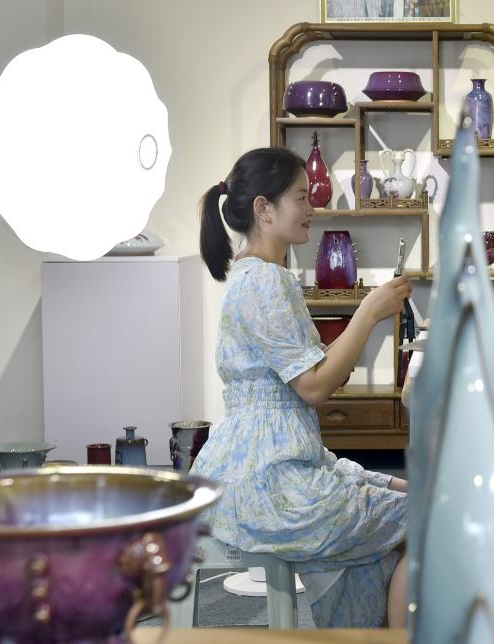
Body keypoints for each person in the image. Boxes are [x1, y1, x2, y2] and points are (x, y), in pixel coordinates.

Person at [192, 147, 413, 628]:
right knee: (426, 518)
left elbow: (308, 387)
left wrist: (389, 482)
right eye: (301, 196)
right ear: (264, 210)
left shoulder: (258, 277)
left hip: (266, 470)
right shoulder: (265, 282)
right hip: (269, 485)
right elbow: (314, 387)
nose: (313, 206)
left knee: (403, 497)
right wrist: (368, 312)